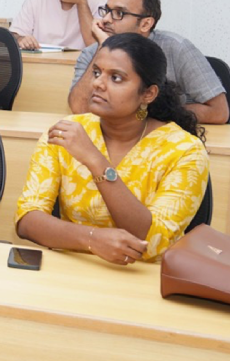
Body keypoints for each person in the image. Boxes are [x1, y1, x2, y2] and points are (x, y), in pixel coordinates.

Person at [16, 33, 209, 264]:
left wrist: (96, 161)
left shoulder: (184, 150)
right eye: (97, 72)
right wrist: (91, 239)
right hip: (73, 270)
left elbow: (152, 241)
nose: (97, 83)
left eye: (116, 78)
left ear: (148, 94)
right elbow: (27, 219)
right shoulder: (67, 132)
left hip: (144, 280)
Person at [67, 0, 229, 124]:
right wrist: (104, 47)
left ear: (145, 23)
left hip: (166, 136)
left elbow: (219, 111)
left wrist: (145, 114)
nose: (106, 19)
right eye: (107, 10)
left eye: (119, 13)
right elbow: (79, 108)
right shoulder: (92, 53)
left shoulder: (177, 48)